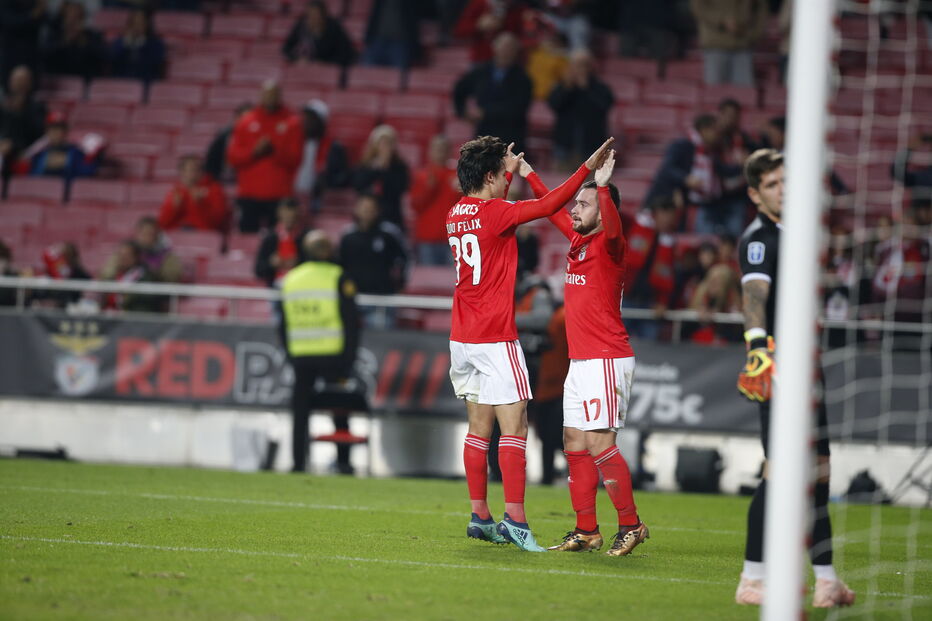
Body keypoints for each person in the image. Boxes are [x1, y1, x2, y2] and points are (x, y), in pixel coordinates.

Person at [449, 134, 613, 552]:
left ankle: (479, 515)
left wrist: (520, 171)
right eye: (503, 175)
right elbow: (549, 206)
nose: (508, 182)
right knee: (516, 426)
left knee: (477, 429)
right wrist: (586, 169)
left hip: (462, 337)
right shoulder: (496, 213)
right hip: (494, 336)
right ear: (488, 176)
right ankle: (516, 521)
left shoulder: (455, 214)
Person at [734, 148, 855, 608]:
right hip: (778, 363)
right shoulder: (760, 238)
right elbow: (754, 293)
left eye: (786, 181)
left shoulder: (797, 233)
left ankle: (826, 580)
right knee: (780, 470)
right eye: (772, 185)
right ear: (755, 194)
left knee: (819, 472)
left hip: (808, 364)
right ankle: (752, 578)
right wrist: (758, 348)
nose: (782, 190)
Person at [521, 149, 649, 556]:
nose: (575, 208)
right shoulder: (578, 241)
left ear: (604, 207)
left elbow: (612, 229)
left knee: (598, 442)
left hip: (607, 357)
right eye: (576, 203)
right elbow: (551, 207)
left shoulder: (612, 246)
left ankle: (631, 524)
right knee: (573, 439)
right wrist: (528, 173)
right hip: (581, 361)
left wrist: (605, 187)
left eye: (584, 203)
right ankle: (586, 530)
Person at [280, 230, 360, 473]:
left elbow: (283, 324)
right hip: (333, 355)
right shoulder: (339, 276)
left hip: (301, 356)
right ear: (328, 251)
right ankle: (344, 461)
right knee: (340, 407)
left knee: (300, 410)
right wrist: (350, 357)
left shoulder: (290, 279)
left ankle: (297, 462)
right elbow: (351, 321)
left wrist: (290, 354)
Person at [226, 81, 304, 233]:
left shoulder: (292, 122)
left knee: (278, 239)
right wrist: (254, 152)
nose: (270, 99)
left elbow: (296, 159)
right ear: (260, 96)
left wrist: (273, 151)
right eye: (267, 95)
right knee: (246, 238)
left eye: (273, 95)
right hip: (249, 195)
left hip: (280, 194)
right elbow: (233, 157)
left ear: (279, 97)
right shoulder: (245, 121)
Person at [452, 32, 533, 153]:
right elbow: (459, 89)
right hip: (483, 138)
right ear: (494, 47)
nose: (506, 52)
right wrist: (462, 112)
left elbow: (517, 109)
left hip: (510, 141)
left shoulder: (523, 79)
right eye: (503, 47)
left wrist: (486, 113)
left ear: (516, 52)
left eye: (510, 48)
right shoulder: (480, 71)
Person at [338, 194, 409, 327]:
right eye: (364, 208)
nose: (367, 212)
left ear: (377, 210)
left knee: (380, 341)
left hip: (381, 299)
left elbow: (406, 259)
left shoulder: (389, 233)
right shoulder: (347, 235)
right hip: (353, 297)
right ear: (356, 209)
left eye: (370, 208)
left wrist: (401, 282)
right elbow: (340, 265)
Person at [547, 48, 613, 171]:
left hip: (592, 148)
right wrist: (568, 88)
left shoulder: (600, 88)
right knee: (563, 186)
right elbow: (554, 104)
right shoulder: (563, 86)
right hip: (565, 146)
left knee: (590, 187)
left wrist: (585, 88)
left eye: (584, 65)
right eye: (577, 65)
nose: (580, 69)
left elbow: (603, 107)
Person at [688, 0, 767, 86]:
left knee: (744, 93)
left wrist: (754, 34)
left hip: (743, 44)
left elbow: (762, 9)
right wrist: (721, 20)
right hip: (715, 43)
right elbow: (698, 7)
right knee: (714, 93)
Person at [410, 134, 459, 265]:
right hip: (427, 238)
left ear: (449, 151)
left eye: (443, 148)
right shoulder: (421, 175)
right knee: (429, 281)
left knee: (453, 281)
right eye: (436, 148)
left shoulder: (459, 176)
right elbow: (416, 206)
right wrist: (429, 188)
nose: (440, 152)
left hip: (454, 238)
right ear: (429, 151)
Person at [294, 99, 351, 211]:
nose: (307, 121)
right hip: (292, 196)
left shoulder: (334, 147)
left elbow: (342, 177)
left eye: (312, 118)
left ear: (322, 122)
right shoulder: (295, 143)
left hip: (318, 201)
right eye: (306, 117)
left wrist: (326, 180)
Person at [351, 124, 410, 232]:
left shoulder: (399, 167)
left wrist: (386, 170)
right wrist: (375, 169)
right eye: (381, 143)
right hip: (367, 216)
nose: (384, 147)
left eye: (388, 143)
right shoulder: (365, 165)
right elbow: (358, 185)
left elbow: (400, 188)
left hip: (391, 215)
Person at [101, 217, 184, 284]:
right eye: (142, 233)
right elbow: (106, 274)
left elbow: (171, 278)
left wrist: (148, 270)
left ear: (157, 236)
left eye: (150, 234)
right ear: (136, 233)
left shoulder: (167, 255)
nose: (145, 238)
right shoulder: (126, 251)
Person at [158, 155, 229, 233]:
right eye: (191, 169)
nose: (195, 172)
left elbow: (216, 223)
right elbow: (163, 224)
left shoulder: (214, 189)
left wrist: (200, 204)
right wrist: (174, 207)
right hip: (178, 236)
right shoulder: (175, 192)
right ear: (181, 172)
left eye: (198, 169)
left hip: (203, 237)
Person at [41, 0, 107, 79]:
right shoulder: (55, 33)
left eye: (76, 12)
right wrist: (65, 42)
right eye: (70, 11)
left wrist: (83, 41)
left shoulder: (91, 35)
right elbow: (45, 55)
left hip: (86, 80)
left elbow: (103, 56)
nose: (73, 15)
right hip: (58, 80)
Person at [0, 66, 46, 177]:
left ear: (29, 83)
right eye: (16, 80)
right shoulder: (3, 106)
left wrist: (21, 112)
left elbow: (39, 134)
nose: (19, 84)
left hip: (26, 152)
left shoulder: (37, 107)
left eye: (22, 80)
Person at [282, 0, 357, 67]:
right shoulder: (301, 25)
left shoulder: (334, 27)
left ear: (323, 15)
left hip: (329, 70)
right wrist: (297, 59)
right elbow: (287, 49)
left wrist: (324, 64)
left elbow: (345, 54)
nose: (312, 18)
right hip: (306, 68)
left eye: (315, 14)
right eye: (309, 15)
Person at [255, 198, 308, 289]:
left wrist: (298, 263)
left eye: (291, 215)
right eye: (285, 214)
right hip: (275, 287)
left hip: (300, 287)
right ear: (279, 214)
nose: (288, 218)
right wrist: (271, 264)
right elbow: (258, 270)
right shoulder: (270, 238)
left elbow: (312, 264)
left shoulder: (305, 238)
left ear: (297, 215)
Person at [29, 112, 99, 180]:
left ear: (66, 131)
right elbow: (32, 178)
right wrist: (46, 166)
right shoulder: (40, 154)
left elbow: (88, 172)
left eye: (60, 129)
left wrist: (67, 164)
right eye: (53, 129)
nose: (56, 133)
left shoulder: (75, 152)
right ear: (47, 131)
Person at [453, 0, 526, 64]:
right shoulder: (480, 3)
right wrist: (478, 25)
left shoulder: (518, 7)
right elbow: (459, 31)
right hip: (481, 58)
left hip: (509, 60)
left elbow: (524, 35)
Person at [109, 8, 166, 81]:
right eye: (134, 23)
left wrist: (141, 44)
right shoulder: (120, 42)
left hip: (146, 82)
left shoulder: (156, 43)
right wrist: (126, 44)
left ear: (147, 24)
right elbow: (112, 59)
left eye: (140, 23)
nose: (137, 26)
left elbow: (156, 63)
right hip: (121, 84)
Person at [361, 0, 421, 69]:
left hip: (400, 43)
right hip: (378, 41)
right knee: (365, 70)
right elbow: (374, 16)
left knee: (397, 74)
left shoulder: (411, 2)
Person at [204, 102, 251, 184]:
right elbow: (210, 165)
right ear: (236, 119)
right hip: (222, 181)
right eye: (244, 119)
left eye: (250, 120)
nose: (247, 123)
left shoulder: (260, 141)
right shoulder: (222, 138)